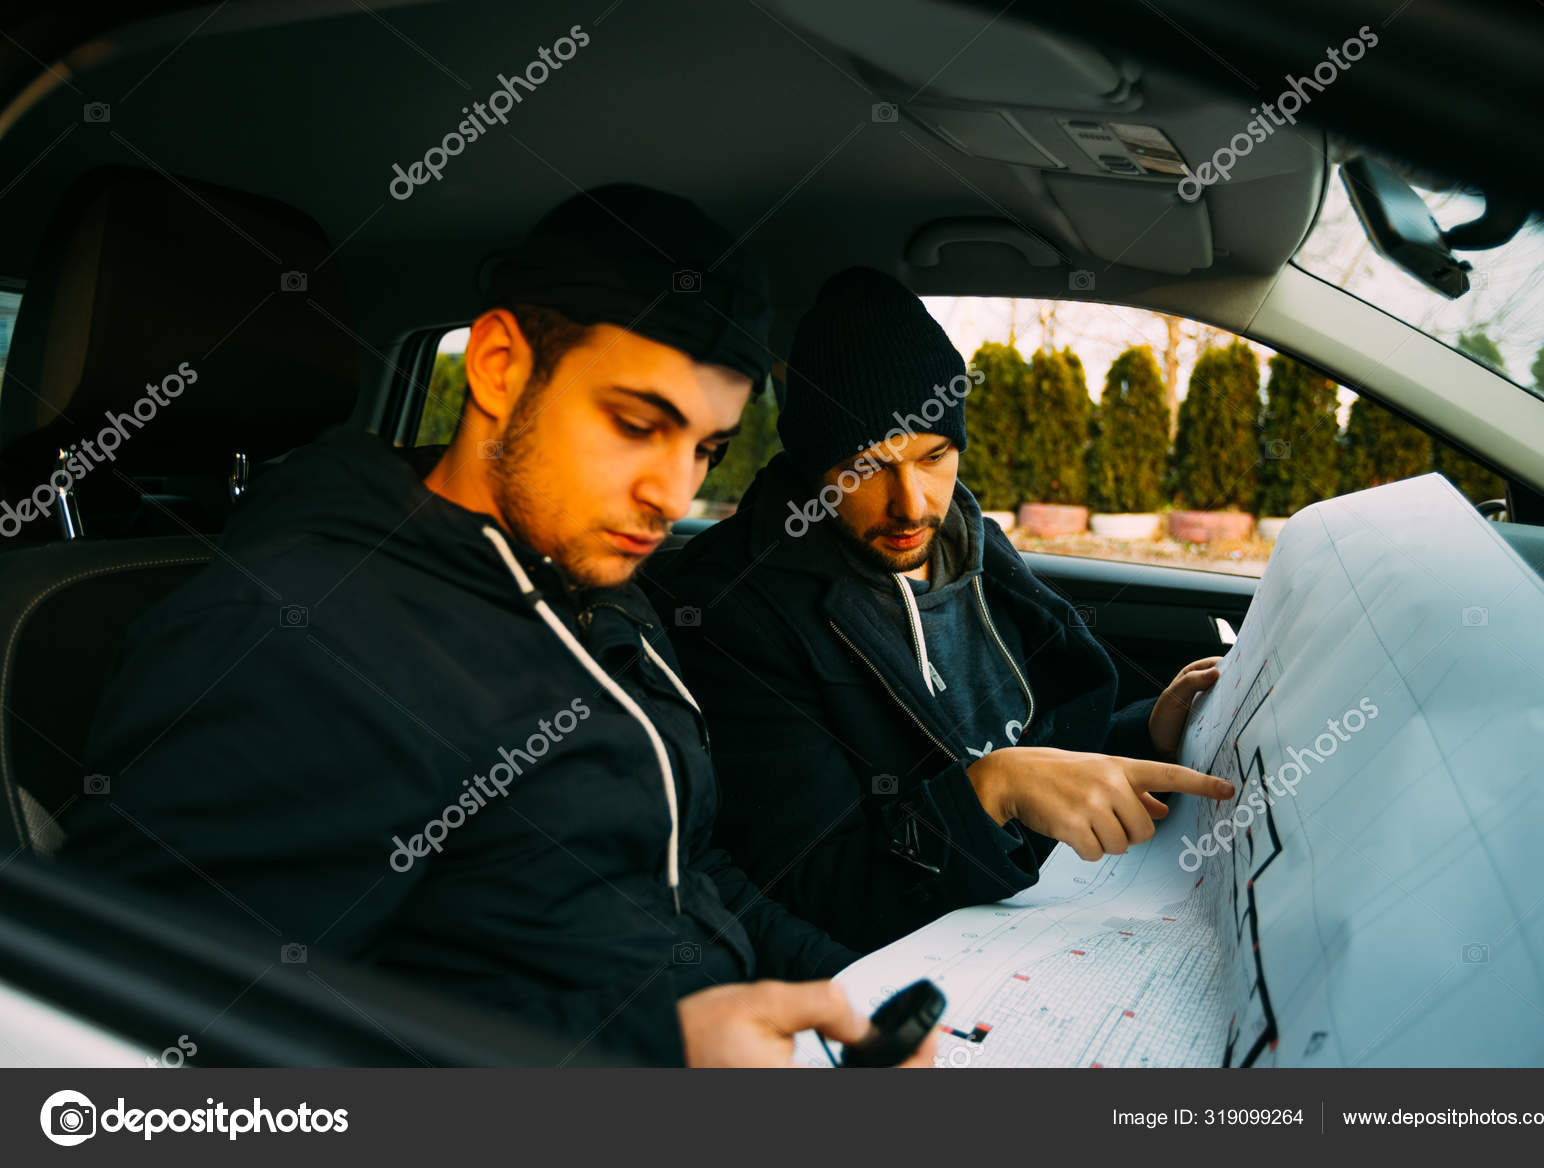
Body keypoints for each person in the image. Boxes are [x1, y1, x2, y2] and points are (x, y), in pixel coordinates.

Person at [58, 190, 931, 1068]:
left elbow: (683, 874)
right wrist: (651, 1057)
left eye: (705, 448)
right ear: (501, 365)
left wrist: (852, 997)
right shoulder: (297, 639)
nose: (672, 494)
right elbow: (165, 1066)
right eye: (636, 425)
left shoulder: (601, 587)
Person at [658, 267, 1234, 953]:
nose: (912, 504)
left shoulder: (974, 541)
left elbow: (1043, 758)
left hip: (1063, 900)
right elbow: (815, 885)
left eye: (935, 456)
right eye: (868, 467)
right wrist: (987, 793)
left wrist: (1147, 733)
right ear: (812, 466)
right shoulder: (736, 606)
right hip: (930, 945)